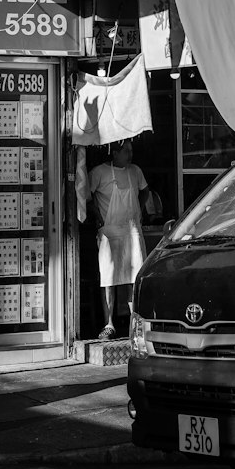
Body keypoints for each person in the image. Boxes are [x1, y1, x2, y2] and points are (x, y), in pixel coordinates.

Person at [88, 138, 150, 341]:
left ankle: (135, 324)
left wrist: (140, 211)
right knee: (109, 279)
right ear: (114, 153)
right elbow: (86, 197)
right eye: (126, 151)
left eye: (131, 150)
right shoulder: (99, 172)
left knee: (134, 278)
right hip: (109, 232)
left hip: (132, 229)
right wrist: (98, 218)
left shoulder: (135, 171)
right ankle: (109, 324)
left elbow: (145, 191)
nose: (130, 154)